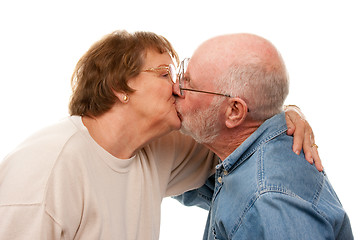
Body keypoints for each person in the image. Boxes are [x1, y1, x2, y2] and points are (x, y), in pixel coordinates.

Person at [0, 30, 318, 240]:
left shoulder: (156, 149)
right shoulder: (45, 170)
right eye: (165, 74)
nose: (178, 87)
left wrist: (288, 113)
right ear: (119, 87)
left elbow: (239, 130)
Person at [173, 33, 353, 239]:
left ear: (234, 111)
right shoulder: (247, 156)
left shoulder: (269, 200)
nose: (175, 88)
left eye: (188, 83)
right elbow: (172, 177)